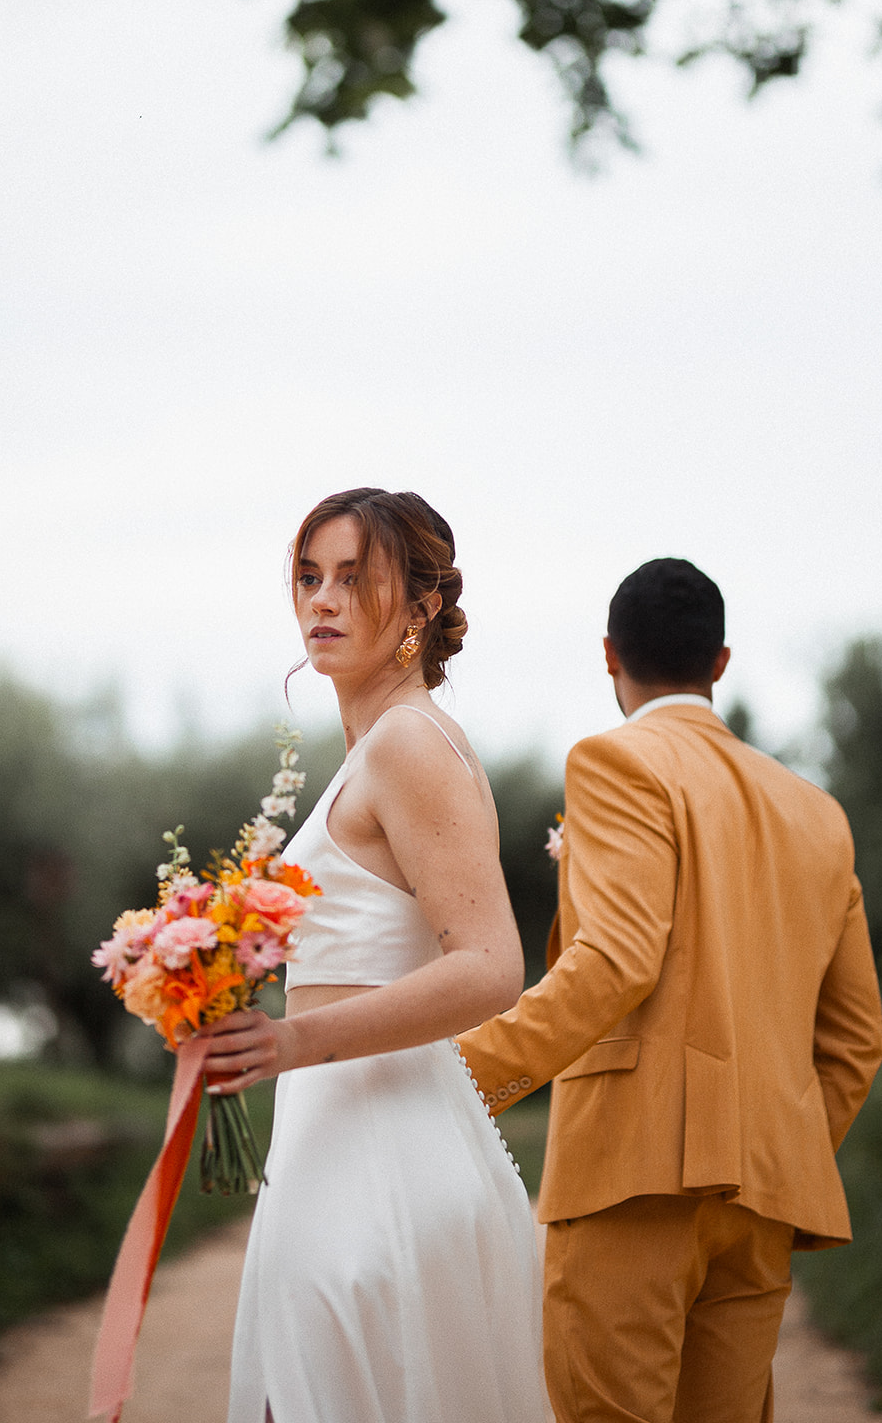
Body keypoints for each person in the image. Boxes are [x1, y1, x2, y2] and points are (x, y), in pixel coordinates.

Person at [458, 556, 882, 1423]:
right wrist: (781, 1141)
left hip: (630, 1180)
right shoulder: (817, 812)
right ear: (719, 663)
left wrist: (458, 1077)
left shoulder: (616, 763)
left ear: (608, 654)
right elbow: (853, 1041)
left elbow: (615, 959)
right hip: (766, 1199)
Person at [200, 487, 549, 1423]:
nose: (321, 600)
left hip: (380, 1166)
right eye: (309, 577)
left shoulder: (405, 744)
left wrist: (287, 1045)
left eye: (355, 580)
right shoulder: (379, 749)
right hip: (334, 1145)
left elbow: (488, 965)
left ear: (423, 608)